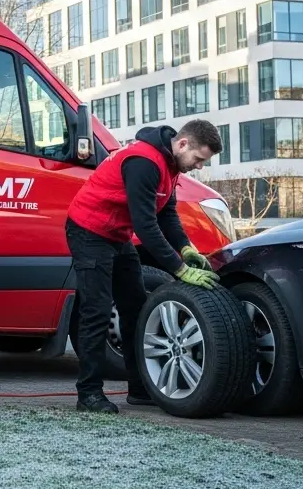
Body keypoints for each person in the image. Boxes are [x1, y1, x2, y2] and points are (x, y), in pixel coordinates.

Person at [66, 119, 222, 414]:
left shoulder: (170, 165)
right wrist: (180, 269)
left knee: (135, 309)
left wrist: (186, 248)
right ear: (183, 143)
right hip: (89, 231)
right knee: (96, 311)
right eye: (199, 159)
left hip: (116, 233)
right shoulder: (144, 161)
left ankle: (139, 389)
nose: (199, 166)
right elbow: (146, 226)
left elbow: (168, 214)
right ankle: (88, 394)